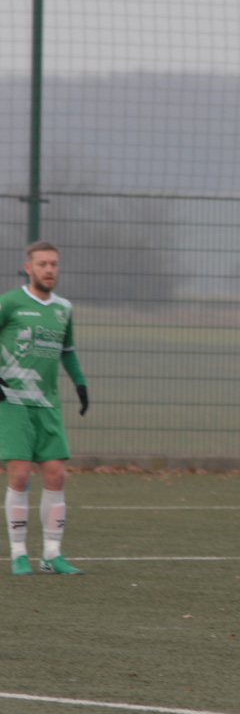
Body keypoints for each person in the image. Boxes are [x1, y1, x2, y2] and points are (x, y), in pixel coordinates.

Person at [3, 241, 89, 576]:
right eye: (42, 264)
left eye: (53, 264)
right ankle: (19, 554)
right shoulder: (10, 302)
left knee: (56, 475)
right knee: (20, 475)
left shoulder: (63, 308)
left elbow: (67, 351)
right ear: (29, 268)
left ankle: (52, 554)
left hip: (47, 404)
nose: (49, 270)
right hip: (13, 402)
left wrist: (80, 384)